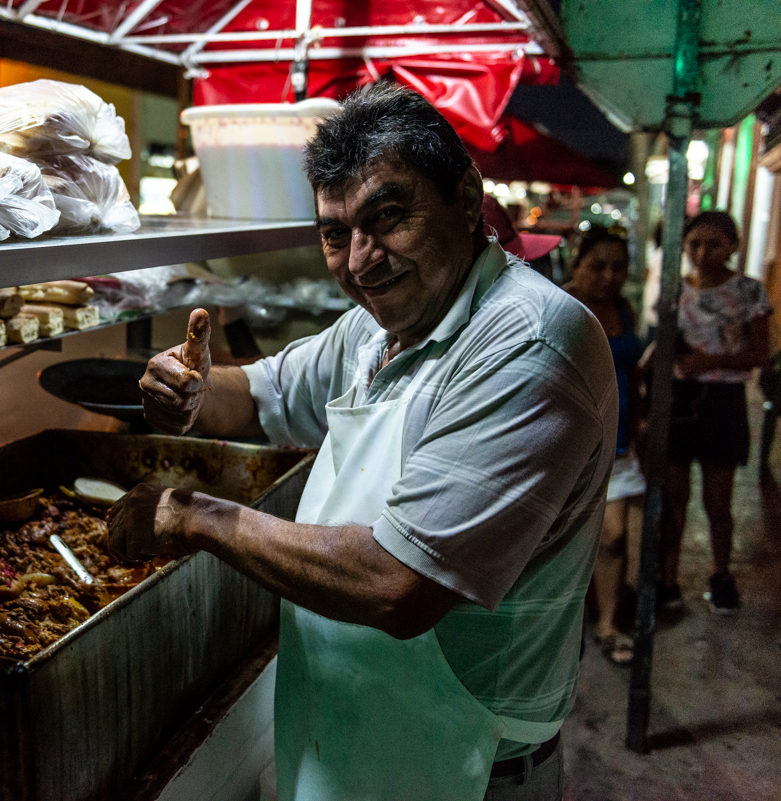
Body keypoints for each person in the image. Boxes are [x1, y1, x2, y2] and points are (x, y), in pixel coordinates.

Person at [108, 83, 617, 801]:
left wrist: (196, 515)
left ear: (466, 199)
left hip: (464, 761)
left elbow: (401, 583)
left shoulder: (530, 341)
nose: (360, 261)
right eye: (335, 233)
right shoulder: (377, 329)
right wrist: (192, 389)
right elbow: (263, 391)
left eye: (388, 215)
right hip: (357, 731)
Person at [659, 211, 773, 614]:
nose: (703, 253)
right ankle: (667, 578)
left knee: (717, 501)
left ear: (734, 246)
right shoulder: (674, 288)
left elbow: (760, 353)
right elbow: (664, 343)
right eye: (695, 244)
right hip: (678, 397)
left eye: (715, 244)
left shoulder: (749, 291)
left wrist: (710, 362)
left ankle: (721, 573)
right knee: (672, 498)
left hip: (723, 402)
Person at [563, 228, 645, 665]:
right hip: (574, 441)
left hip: (620, 437)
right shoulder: (563, 305)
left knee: (616, 538)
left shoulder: (624, 309)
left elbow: (632, 372)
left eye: (619, 267)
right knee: (588, 536)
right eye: (598, 265)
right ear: (577, 265)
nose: (609, 276)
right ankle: (570, 620)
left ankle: (608, 622)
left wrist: (641, 420)